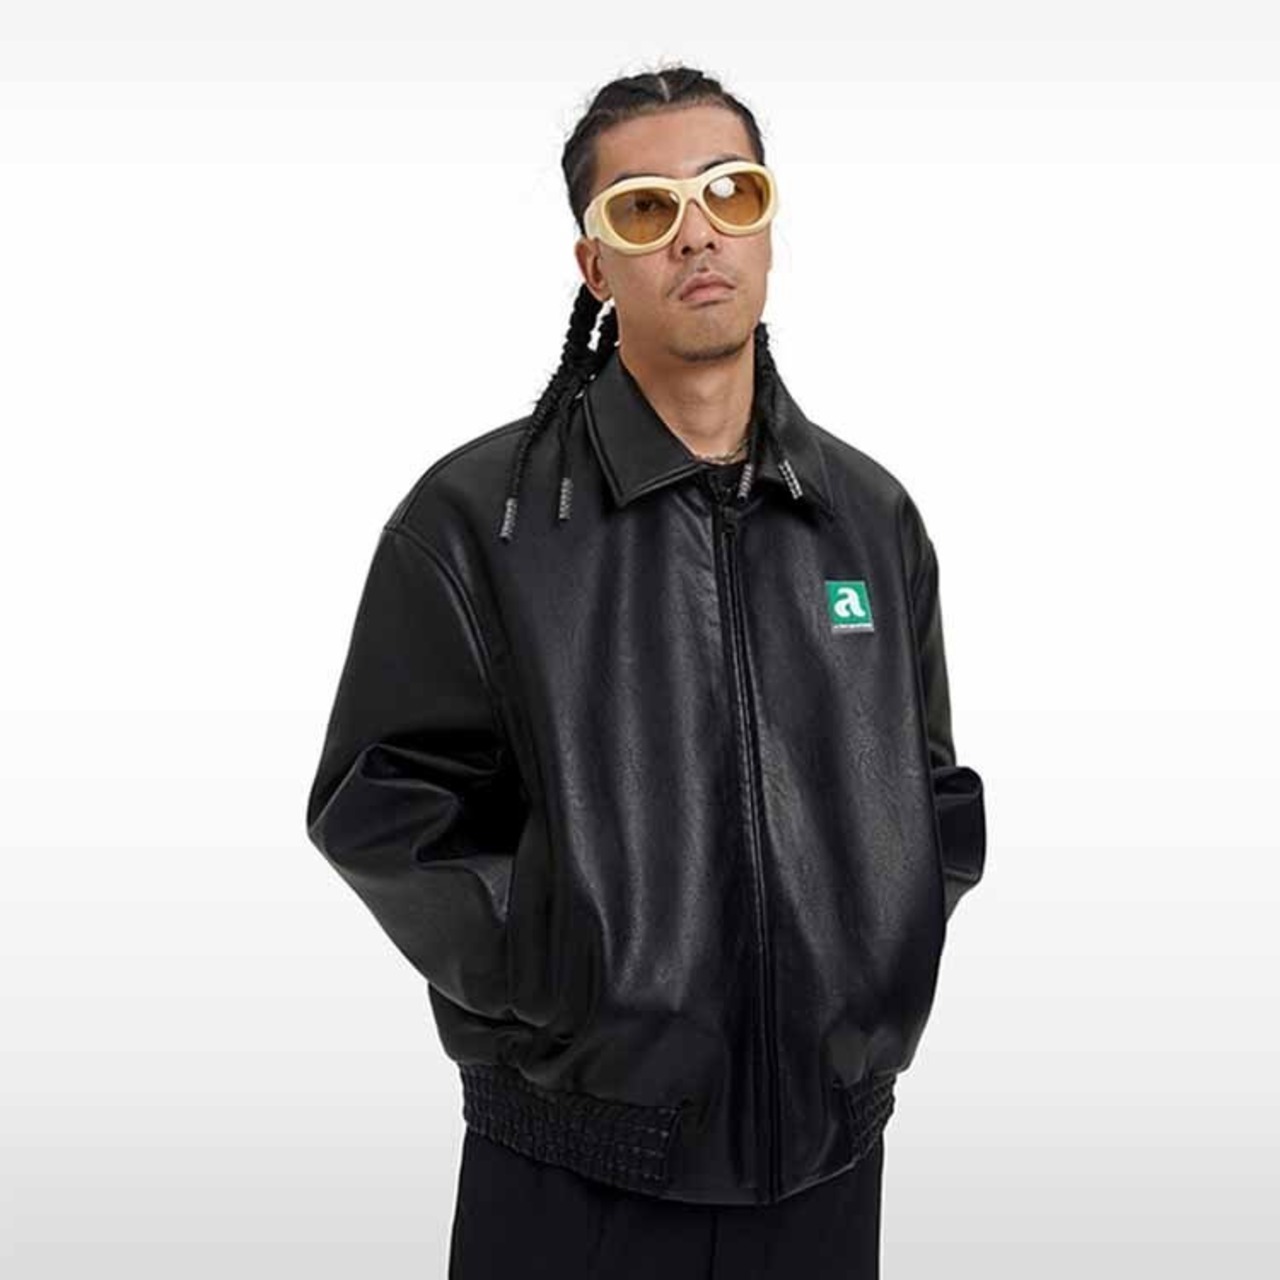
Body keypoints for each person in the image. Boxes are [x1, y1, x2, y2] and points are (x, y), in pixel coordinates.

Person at [304, 63, 986, 1279]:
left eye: (729, 191)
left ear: (766, 224)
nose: (696, 232)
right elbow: (380, 803)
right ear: (594, 265)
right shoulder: (478, 520)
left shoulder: (868, 517)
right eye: (644, 208)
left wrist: (883, 944)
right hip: (571, 1170)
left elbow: (929, 788)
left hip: (830, 1164)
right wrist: (564, 964)